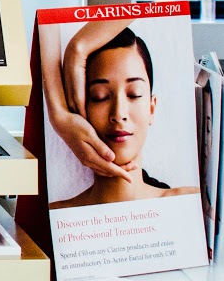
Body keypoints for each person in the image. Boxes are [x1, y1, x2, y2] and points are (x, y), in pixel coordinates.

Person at [47, 24, 198, 209]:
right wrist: (58, 113)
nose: (119, 114)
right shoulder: (55, 216)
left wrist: (77, 48)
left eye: (134, 94)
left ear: (151, 108)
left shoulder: (190, 204)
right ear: (80, 111)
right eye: (100, 96)